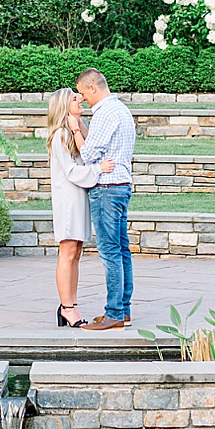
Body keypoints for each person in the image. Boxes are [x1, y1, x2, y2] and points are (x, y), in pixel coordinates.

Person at [72, 67, 135, 330]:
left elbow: (87, 155)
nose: (83, 98)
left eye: (83, 93)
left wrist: (75, 128)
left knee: (110, 252)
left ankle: (114, 314)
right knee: (121, 250)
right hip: (120, 186)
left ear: (93, 89)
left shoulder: (105, 113)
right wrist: (82, 124)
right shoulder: (119, 109)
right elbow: (97, 143)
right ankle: (124, 310)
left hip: (107, 188)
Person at [44, 87, 101, 327]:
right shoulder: (59, 136)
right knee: (67, 252)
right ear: (63, 106)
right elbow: (71, 171)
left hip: (79, 197)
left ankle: (72, 304)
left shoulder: (73, 131)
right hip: (68, 200)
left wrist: (78, 123)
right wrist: (99, 170)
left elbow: (89, 150)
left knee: (77, 252)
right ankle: (66, 307)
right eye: (74, 98)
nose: (80, 100)